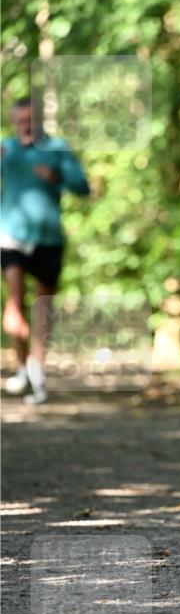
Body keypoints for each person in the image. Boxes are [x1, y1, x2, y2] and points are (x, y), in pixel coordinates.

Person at [1, 96, 90, 404]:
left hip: (49, 238)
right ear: (14, 122)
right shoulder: (6, 149)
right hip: (11, 236)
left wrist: (58, 178)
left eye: (30, 121)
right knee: (14, 299)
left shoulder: (57, 149)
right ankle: (23, 367)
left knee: (43, 308)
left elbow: (83, 187)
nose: (25, 126)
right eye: (20, 121)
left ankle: (36, 370)